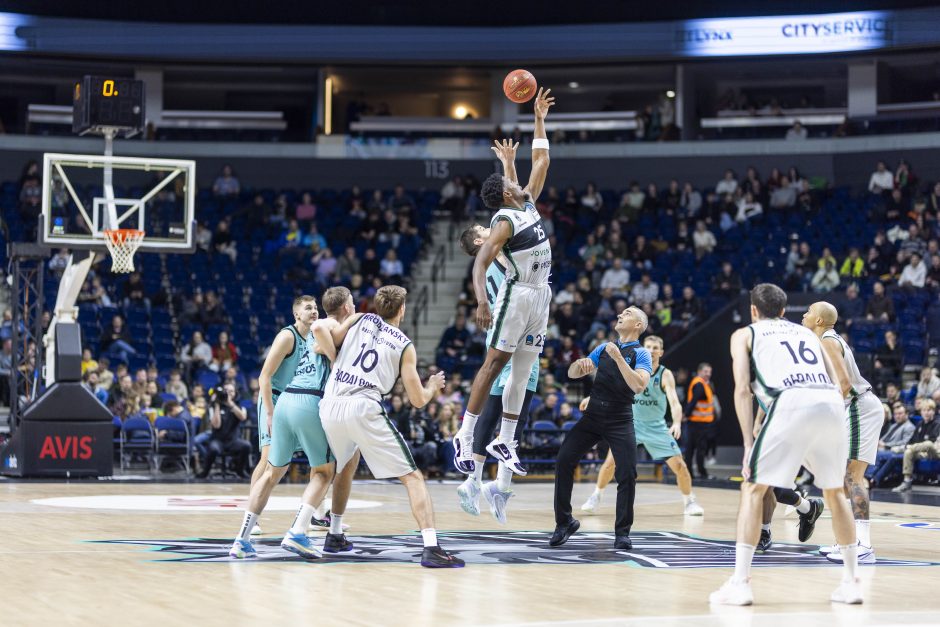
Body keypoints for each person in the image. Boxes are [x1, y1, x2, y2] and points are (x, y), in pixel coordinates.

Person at [710, 284, 862, 606]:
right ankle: (851, 583)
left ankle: (740, 583)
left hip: (789, 402)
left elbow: (742, 391)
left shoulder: (744, 334)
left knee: (752, 489)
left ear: (753, 310)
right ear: (784, 310)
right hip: (830, 403)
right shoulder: (808, 334)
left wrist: (749, 443)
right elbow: (838, 382)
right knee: (835, 492)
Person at [318, 286, 464, 568]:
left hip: (331, 401)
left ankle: (335, 534)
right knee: (413, 477)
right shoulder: (404, 344)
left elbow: (329, 337)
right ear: (402, 309)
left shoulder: (359, 318)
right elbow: (418, 400)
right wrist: (432, 386)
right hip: (362, 405)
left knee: (346, 465)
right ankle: (431, 547)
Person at [452, 88, 555, 478]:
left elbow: (542, 160)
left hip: (540, 294)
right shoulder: (502, 220)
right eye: (511, 184)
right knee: (495, 365)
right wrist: (480, 301)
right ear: (506, 196)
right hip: (516, 295)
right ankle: (465, 434)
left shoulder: (525, 206)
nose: (516, 183)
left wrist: (539, 118)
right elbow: (480, 261)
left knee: (524, 370)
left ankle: (506, 440)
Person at [229, 289, 359, 560]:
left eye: (316, 308)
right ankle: (298, 532)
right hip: (298, 401)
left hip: (288, 400)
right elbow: (265, 377)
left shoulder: (313, 333)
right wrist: (359, 320)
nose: (313, 313)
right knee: (324, 471)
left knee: (272, 473)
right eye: (308, 308)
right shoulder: (321, 328)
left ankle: (241, 540)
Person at [455, 223, 541, 524]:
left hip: (517, 328)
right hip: (509, 332)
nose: (490, 227)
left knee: (513, 415)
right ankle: (479, 482)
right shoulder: (499, 257)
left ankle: (492, 486)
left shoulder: (495, 258)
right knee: (498, 414)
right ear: (481, 240)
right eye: (483, 228)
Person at [550, 307, 652, 550]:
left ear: (638, 324)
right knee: (564, 459)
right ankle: (564, 522)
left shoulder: (642, 354)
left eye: (627, 314)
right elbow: (572, 373)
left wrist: (618, 358)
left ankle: (622, 533)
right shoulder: (602, 348)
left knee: (627, 473)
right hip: (594, 414)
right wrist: (580, 364)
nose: (620, 315)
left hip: (620, 417)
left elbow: (638, 385)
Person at [580, 335, 704, 517]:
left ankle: (689, 502)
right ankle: (596, 496)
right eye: (648, 347)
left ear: (661, 352)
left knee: (680, 466)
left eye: (656, 347)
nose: (651, 350)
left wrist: (677, 422)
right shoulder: (631, 369)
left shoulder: (665, 374)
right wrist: (592, 398)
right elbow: (612, 389)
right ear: (641, 350)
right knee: (609, 463)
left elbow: (674, 401)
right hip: (630, 424)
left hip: (656, 427)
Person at [803, 301, 884, 564]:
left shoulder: (827, 340)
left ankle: (864, 545)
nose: (804, 314)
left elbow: (845, 385)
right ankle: (848, 541)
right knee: (842, 478)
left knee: (852, 477)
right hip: (855, 408)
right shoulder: (828, 339)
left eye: (808, 312)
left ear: (818, 320)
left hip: (860, 407)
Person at [197, 382, 251, 480]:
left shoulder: (239, 406)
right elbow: (216, 425)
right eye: (226, 391)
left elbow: (243, 417)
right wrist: (217, 404)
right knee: (213, 448)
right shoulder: (213, 407)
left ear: (235, 393)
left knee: (246, 445)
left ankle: (240, 471)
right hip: (218, 440)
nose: (228, 393)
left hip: (233, 440)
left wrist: (230, 404)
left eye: (231, 391)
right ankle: (205, 471)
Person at [893, 399, 939, 492]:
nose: (926, 413)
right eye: (924, 410)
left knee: (928, 444)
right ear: (921, 412)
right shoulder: (920, 424)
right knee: (908, 452)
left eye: (929, 410)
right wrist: (909, 447)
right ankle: (906, 482)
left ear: (933, 411)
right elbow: (912, 440)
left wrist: (912, 446)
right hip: (921, 452)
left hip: (935, 451)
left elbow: (932, 442)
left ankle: (907, 448)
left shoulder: (937, 423)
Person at [683, 363, 715, 479]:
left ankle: (692, 473)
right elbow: (693, 401)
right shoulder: (699, 384)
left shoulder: (704, 384)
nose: (708, 374)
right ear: (699, 371)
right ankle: (699, 473)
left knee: (693, 448)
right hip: (697, 422)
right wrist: (686, 414)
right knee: (696, 449)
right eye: (706, 371)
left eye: (710, 372)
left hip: (700, 422)